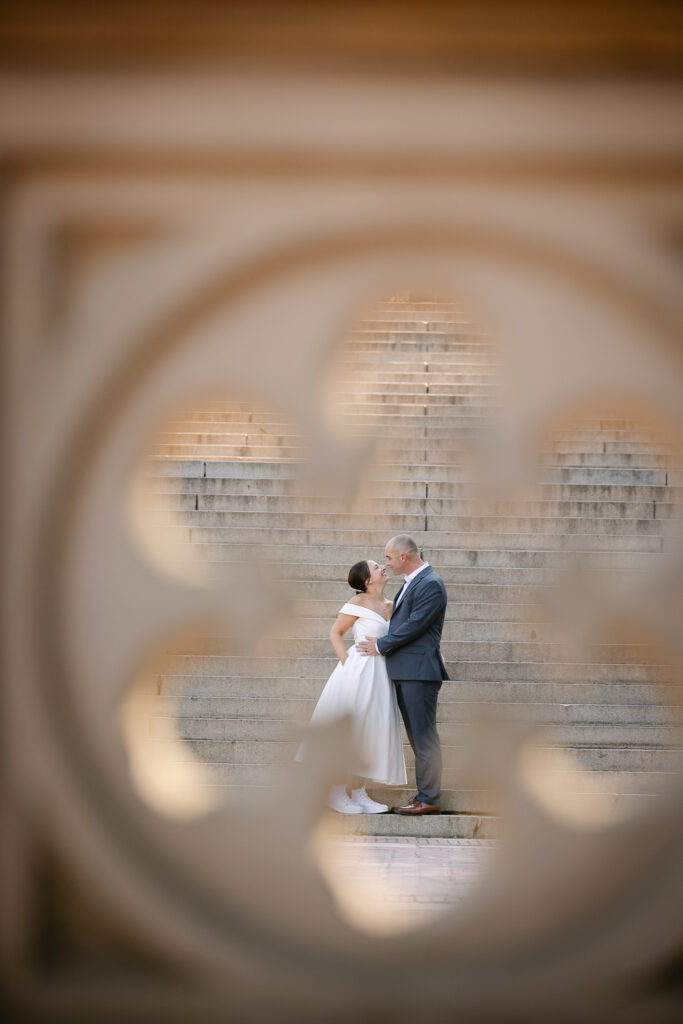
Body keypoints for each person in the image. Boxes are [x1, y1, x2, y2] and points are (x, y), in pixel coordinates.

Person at [295, 559, 407, 814]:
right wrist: (348, 665)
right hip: (358, 673)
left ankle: (359, 792)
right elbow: (335, 633)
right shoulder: (357, 602)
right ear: (367, 580)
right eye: (376, 567)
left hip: (382, 675)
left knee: (370, 731)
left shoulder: (392, 606)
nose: (383, 567)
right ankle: (336, 792)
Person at [357, 535, 448, 815]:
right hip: (409, 670)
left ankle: (429, 798)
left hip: (418, 673)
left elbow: (415, 624)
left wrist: (380, 645)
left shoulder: (430, 583)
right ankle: (425, 795)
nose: (386, 563)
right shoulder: (415, 582)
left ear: (403, 557)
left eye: (388, 557)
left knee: (424, 738)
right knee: (419, 738)